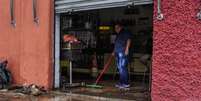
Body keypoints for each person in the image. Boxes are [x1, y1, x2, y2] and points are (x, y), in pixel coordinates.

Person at [112, 23, 132, 89]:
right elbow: (117, 43)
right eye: (115, 28)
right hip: (118, 53)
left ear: (120, 27)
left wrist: (127, 49)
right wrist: (114, 51)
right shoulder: (118, 34)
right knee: (120, 68)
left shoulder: (125, 32)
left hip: (123, 53)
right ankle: (121, 82)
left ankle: (126, 83)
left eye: (117, 28)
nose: (115, 29)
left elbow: (129, 40)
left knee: (123, 67)